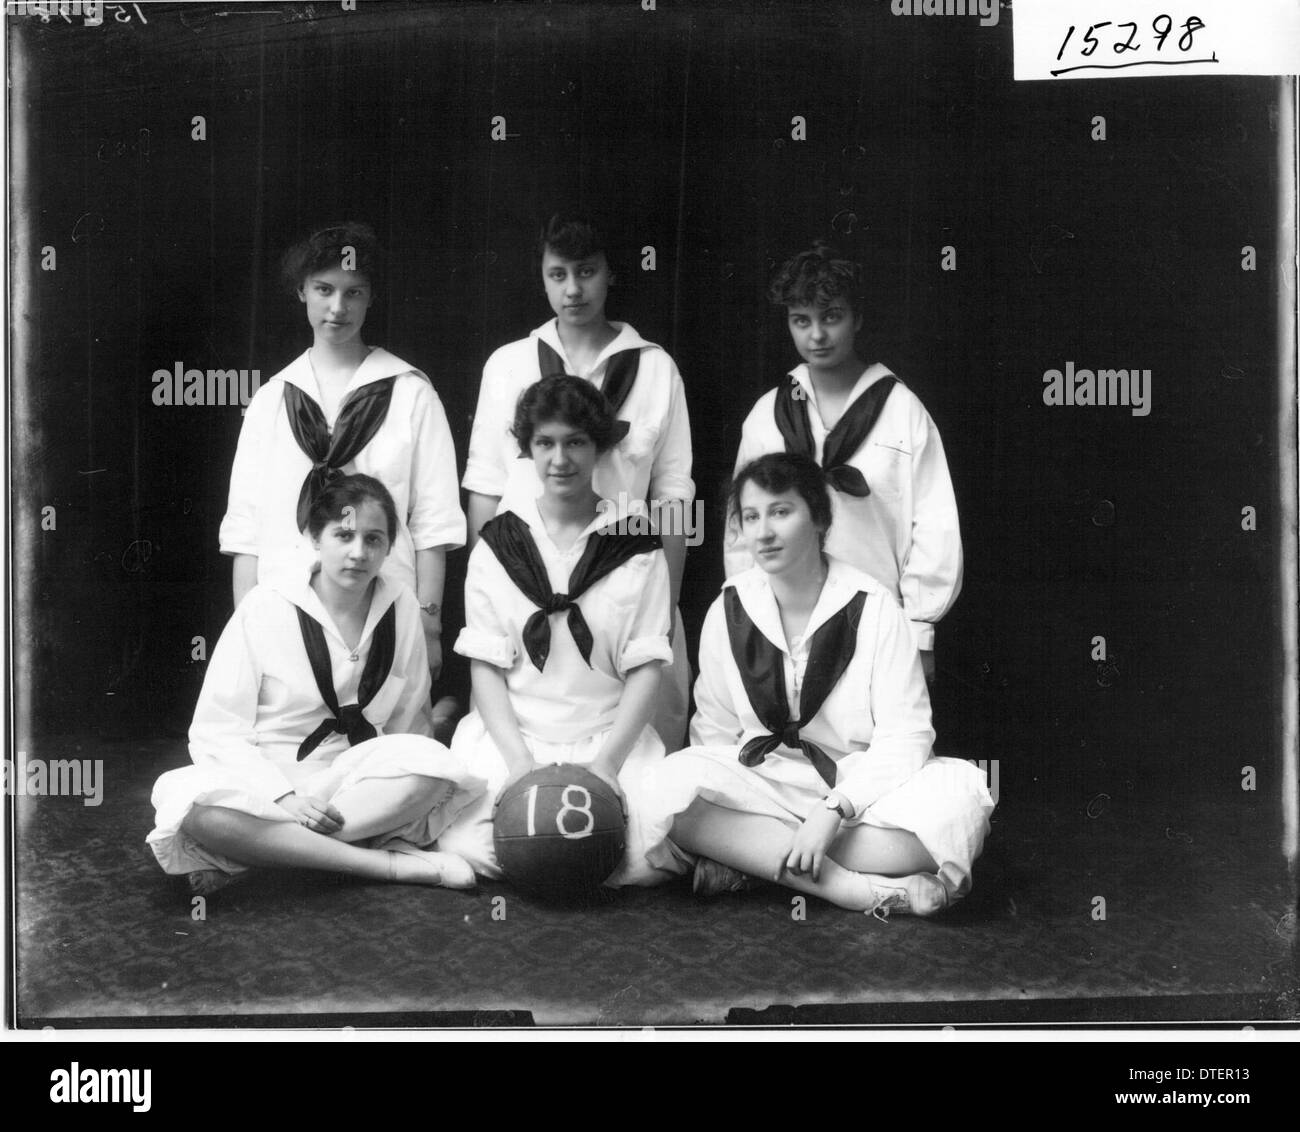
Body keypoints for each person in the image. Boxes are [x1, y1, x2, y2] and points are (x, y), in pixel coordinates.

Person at [647, 453, 992, 915]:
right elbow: (714, 729)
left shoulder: (873, 606)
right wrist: (719, 795)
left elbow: (907, 736)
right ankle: (855, 890)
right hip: (764, 784)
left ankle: (756, 857)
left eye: (781, 512)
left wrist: (832, 811)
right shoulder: (729, 607)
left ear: (819, 518)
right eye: (751, 517)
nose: (764, 531)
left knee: (961, 805)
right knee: (663, 790)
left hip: (859, 791)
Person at [148, 475, 484, 895]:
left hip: (352, 784)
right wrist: (283, 797)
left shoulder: (401, 605)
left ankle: (263, 855)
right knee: (195, 808)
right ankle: (386, 866)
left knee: (434, 768)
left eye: (374, 539)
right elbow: (217, 729)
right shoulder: (265, 604)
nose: (359, 552)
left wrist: (404, 787)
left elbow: (409, 718)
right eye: (344, 535)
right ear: (314, 536)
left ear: (388, 546)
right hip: (266, 778)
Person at [461, 212, 694, 748]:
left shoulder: (656, 368)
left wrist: (665, 604)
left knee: (633, 782)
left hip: (626, 595)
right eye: (558, 274)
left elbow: (675, 495)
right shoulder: (508, 365)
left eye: (586, 272)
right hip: (525, 591)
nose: (573, 289)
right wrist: (493, 586)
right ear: (542, 277)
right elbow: (485, 488)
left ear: (611, 274)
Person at [439, 376, 679, 888]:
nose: (560, 459)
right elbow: (485, 665)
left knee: (643, 856)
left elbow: (646, 667)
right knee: (467, 848)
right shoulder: (498, 542)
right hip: (515, 733)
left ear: (599, 447)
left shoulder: (635, 542)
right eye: (545, 443)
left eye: (576, 442)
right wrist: (520, 764)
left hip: (608, 734)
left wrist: (607, 766)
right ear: (527, 448)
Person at [220, 222, 464, 681]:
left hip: (384, 605)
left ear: (371, 298)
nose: (337, 307)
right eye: (324, 289)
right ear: (301, 292)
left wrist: (429, 625)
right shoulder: (272, 400)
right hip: (285, 608)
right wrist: (245, 633)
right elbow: (244, 532)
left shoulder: (410, 394)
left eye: (354, 292)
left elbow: (434, 523)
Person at [724, 242, 962, 681]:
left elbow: (934, 523)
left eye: (831, 317)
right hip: (786, 623)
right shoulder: (768, 416)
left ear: (858, 319)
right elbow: (742, 529)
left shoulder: (902, 411)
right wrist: (748, 615)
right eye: (802, 321)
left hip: (877, 622)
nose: (816, 335)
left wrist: (920, 630)